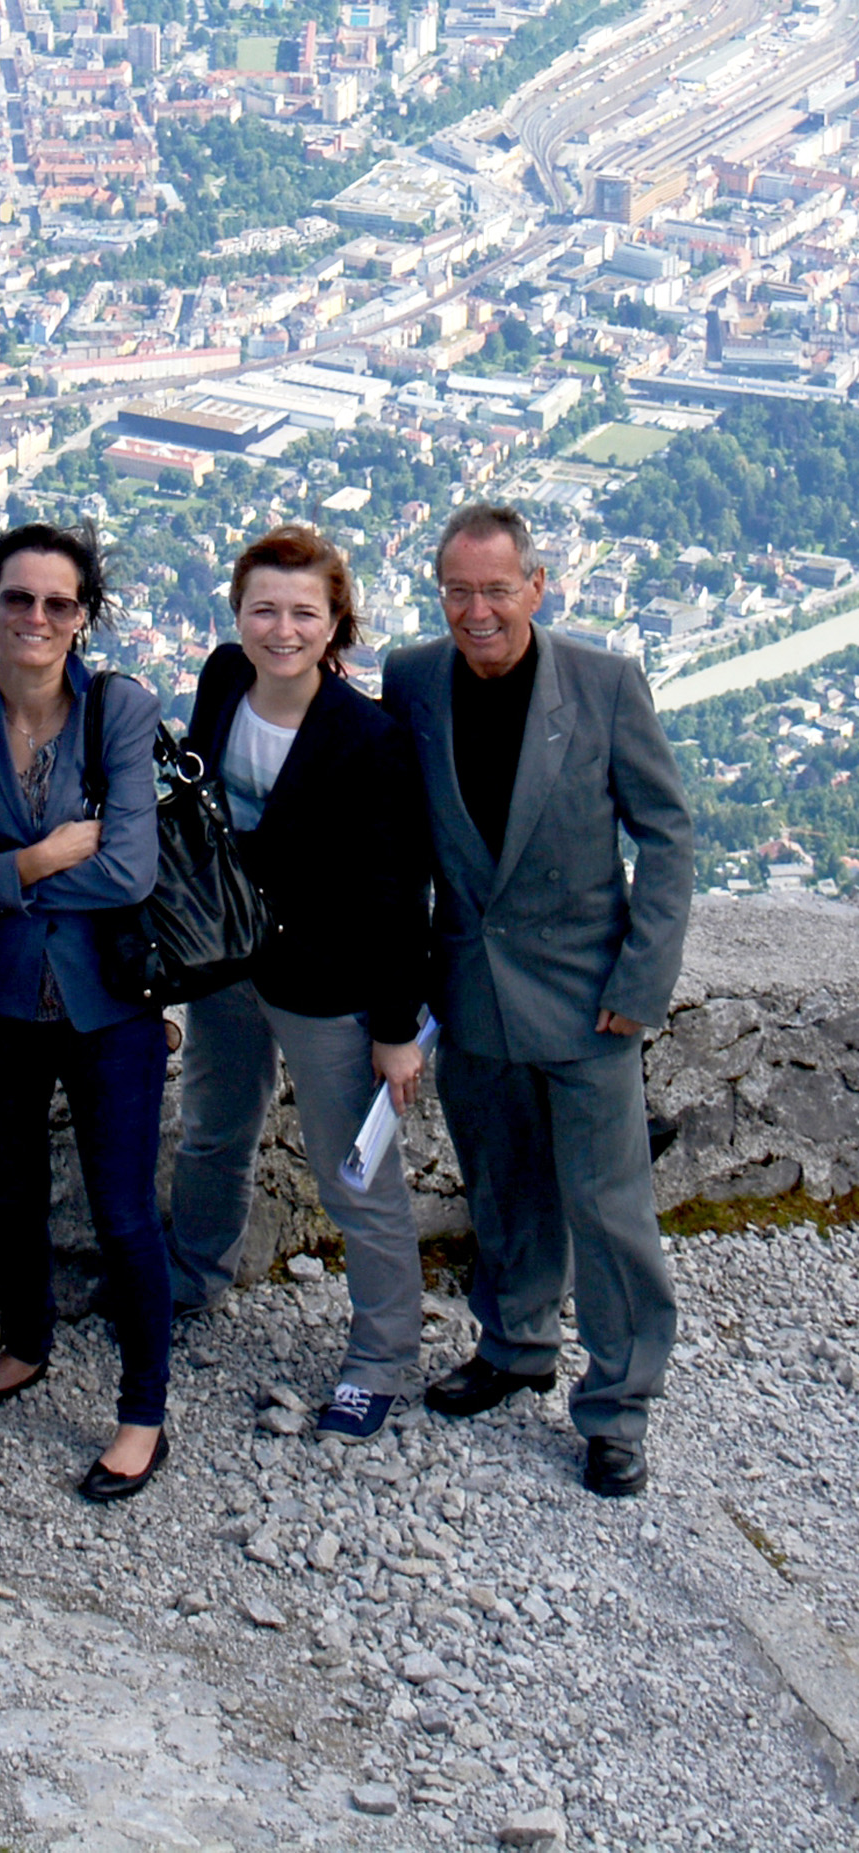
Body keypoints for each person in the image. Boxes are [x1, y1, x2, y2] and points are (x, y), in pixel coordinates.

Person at [383, 502, 693, 1497]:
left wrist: (640, 982)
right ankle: (514, 1347)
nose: (478, 610)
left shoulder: (603, 685)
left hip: (588, 997)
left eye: (496, 588)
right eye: (459, 590)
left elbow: (668, 835)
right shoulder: (411, 678)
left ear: (535, 586)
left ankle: (616, 1408)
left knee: (608, 1213)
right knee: (502, 1189)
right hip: (472, 991)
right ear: (440, 591)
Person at [0, 522, 174, 1502]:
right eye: (16, 597)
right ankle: (27, 1342)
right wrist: (36, 858)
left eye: (56, 602)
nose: (34, 617)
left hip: (110, 998)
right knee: (9, 1188)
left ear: (83, 616)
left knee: (118, 1210)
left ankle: (142, 1410)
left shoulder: (118, 708)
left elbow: (131, 866)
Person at [166, 524, 434, 1441]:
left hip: (328, 981)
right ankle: (193, 1278)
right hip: (227, 959)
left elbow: (399, 894)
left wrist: (396, 1027)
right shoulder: (221, 680)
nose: (282, 629)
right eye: (264, 609)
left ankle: (384, 1352)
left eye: (303, 613)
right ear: (238, 613)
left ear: (336, 626)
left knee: (353, 1171)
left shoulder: (368, 740)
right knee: (212, 1130)